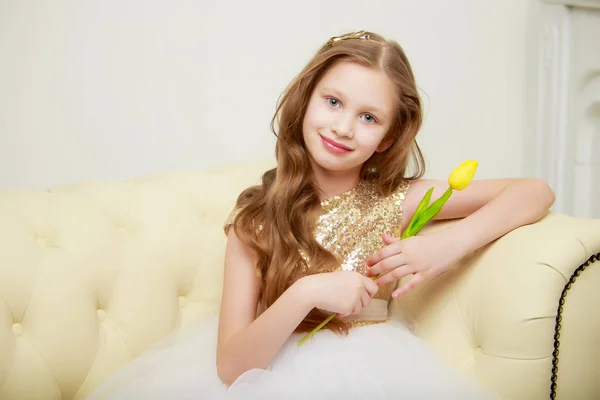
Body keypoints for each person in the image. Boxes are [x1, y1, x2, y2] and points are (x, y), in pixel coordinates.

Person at [88, 30, 555, 399]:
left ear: (389, 138)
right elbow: (232, 369)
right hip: (265, 374)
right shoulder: (256, 220)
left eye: (369, 117)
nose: (343, 127)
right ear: (306, 100)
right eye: (333, 102)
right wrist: (306, 292)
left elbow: (535, 191)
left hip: (373, 372)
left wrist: (447, 244)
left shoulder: (399, 198)